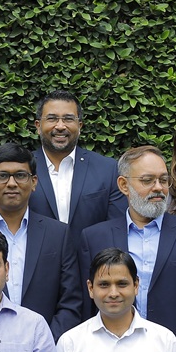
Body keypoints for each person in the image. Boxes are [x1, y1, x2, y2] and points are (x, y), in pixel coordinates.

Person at [76, 145, 176, 352]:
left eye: (163, 180)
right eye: (148, 180)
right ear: (124, 185)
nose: (158, 188)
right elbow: (85, 311)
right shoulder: (94, 238)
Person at [0, 141, 82, 339]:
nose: (11, 183)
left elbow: (71, 302)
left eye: (20, 175)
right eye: (2, 176)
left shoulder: (58, 234)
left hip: (43, 351)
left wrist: (44, 345)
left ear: (34, 182)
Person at [26, 89, 126, 243]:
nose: (60, 126)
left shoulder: (108, 170)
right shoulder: (22, 169)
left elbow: (116, 229)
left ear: (80, 125)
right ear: (38, 125)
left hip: (91, 264)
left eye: (68, 119)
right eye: (52, 118)